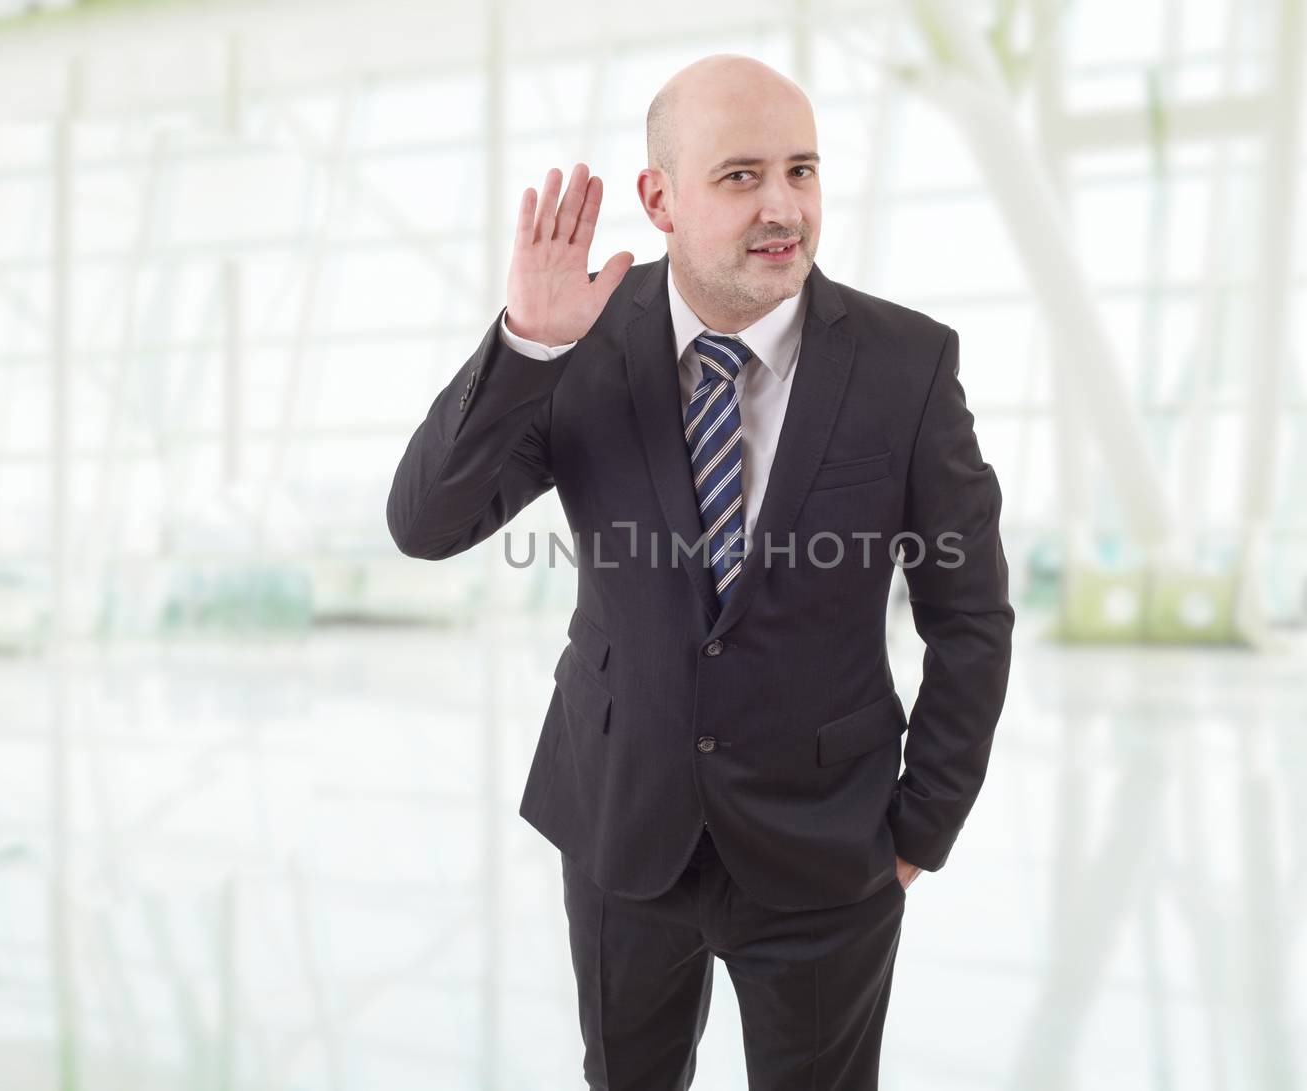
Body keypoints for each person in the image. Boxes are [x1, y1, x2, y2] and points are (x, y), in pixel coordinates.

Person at [387, 52, 1013, 1091]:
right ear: (659, 198)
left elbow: (971, 617)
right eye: (740, 176)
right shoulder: (578, 337)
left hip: (828, 849)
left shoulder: (908, 366)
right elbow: (426, 522)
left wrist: (919, 830)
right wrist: (526, 348)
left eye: (802, 170)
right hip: (619, 826)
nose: (784, 207)